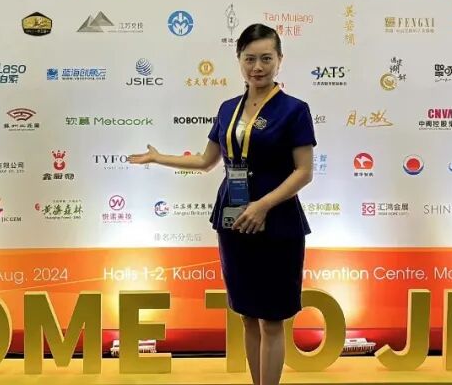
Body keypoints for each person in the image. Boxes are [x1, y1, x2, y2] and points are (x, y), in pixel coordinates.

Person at [129, 23, 316, 385]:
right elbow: (206, 161)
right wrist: (158, 157)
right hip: (233, 220)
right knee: (247, 315)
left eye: (266, 58)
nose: (257, 67)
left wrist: (263, 205)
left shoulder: (294, 110)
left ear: (279, 60)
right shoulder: (228, 109)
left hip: (277, 223)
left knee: (272, 319)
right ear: (239, 60)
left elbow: (304, 172)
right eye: (250, 59)